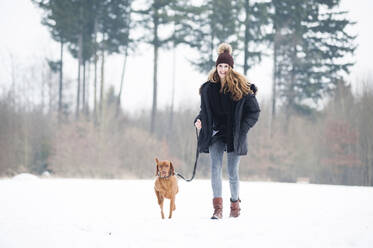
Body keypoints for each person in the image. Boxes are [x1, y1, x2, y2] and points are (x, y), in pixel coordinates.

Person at [194, 43, 260, 219]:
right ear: (216, 67)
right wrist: (198, 120)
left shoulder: (242, 87)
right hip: (216, 134)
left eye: (226, 66)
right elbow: (204, 111)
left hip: (234, 135)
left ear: (230, 68)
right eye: (220, 66)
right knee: (215, 168)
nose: (222, 69)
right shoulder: (208, 89)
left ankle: (235, 206)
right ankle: (217, 209)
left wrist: (243, 129)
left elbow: (254, 112)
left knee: (232, 171)